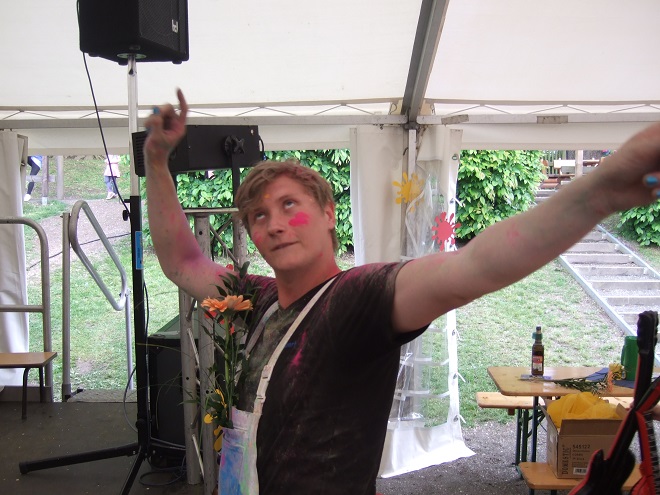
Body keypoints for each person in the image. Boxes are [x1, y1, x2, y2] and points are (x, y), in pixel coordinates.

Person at [143, 89, 660, 495]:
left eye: (289, 205)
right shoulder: (253, 301)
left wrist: (600, 192)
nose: (274, 224)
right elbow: (182, 262)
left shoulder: (355, 299)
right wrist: (158, 163)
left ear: (329, 214)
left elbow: (473, 267)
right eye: (259, 216)